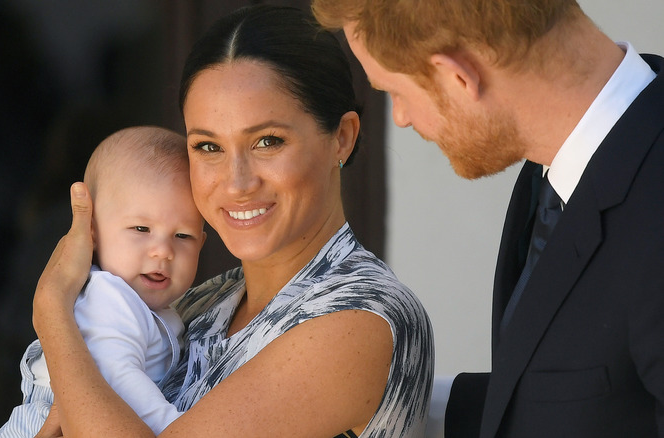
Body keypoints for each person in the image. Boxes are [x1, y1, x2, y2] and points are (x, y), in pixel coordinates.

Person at [30, 5, 434, 438]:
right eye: (208, 147)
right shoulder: (201, 304)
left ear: (343, 137)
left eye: (267, 141)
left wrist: (53, 310)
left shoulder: (362, 316)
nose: (236, 183)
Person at [312, 0, 664, 437]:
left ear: (459, 77)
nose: (401, 118)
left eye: (394, 93)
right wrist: (381, 399)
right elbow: (582, 398)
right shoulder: (556, 172)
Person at [0, 126, 206, 437]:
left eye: (182, 236)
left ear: (202, 242)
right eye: (140, 229)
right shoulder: (109, 298)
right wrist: (176, 428)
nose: (163, 250)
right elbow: (119, 380)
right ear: (91, 233)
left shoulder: (159, 307)